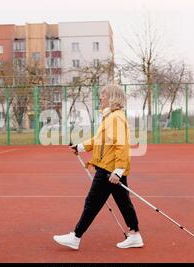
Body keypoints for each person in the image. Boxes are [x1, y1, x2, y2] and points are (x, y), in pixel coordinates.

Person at [53, 84, 143, 250]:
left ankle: (76, 236)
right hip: (110, 167)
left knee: (92, 202)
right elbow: (99, 139)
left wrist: (118, 170)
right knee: (123, 202)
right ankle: (135, 234)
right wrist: (81, 147)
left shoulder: (116, 118)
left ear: (112, 98)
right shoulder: (109, 117)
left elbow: (121, 145)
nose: (100, 98)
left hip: (109, 169)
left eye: (103, 95)